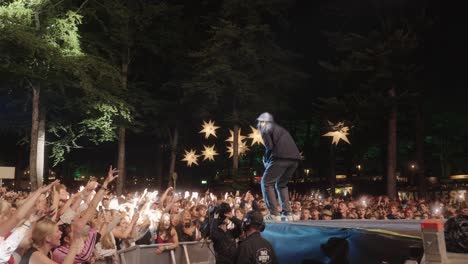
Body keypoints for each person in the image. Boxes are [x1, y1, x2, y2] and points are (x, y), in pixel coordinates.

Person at [256, 112, 301, 221]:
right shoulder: (281, 129)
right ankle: (287, 213)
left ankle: (274, 214)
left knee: (266, 182)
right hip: (295, 159)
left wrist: (267, 161)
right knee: (281, 184)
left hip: (280, 157)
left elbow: (269, 146)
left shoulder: (265, 128)